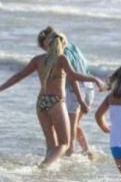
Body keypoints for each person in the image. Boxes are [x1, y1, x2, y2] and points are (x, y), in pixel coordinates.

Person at [0, 29, 105, 168]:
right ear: (63, 44)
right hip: (56, 102)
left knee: (51, 145)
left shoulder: (38, 60)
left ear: (48, 45)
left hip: (41, 102)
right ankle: (43, 167)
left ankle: (47, 171)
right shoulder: (62, 59)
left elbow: (18, 76)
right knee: (64, 144)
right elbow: (75, 77)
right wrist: (95, 79)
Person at [38, 26, 95, 159]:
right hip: (88, 87)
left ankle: (69, 155)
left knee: (70, 127)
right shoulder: (73, 47)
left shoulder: (60, 54)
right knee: (74, 124)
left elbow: (71, 77)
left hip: (74, 90)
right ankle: (87, 150)